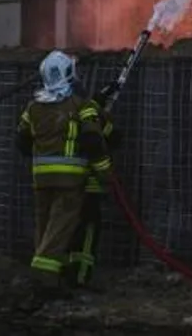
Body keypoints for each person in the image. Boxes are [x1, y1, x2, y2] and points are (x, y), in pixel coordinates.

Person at [16, 50, 113, 298]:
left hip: (41, 179)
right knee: (60, 228)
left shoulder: (33, 108)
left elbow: (22, 142)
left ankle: (51, 277)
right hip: (70, 180)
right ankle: (42, 278)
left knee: (45, 227)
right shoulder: (79, 105)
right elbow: (93, 140)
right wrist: (105, 172)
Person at [64, 80, 120, 291]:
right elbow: (112, 138)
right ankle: (80, 276)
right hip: (86, 184)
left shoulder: (54, 113)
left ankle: (63, 275)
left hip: (59, 184)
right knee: (88, 230)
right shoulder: (90, 115)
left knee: (64, 229)